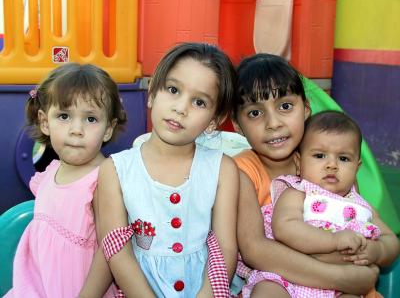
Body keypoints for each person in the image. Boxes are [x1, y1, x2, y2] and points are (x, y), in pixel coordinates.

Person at [232, 53, 386, 297]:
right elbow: (255, 249)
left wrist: (372, 254)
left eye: (285, 106)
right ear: (237, 125)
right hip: (278, 279)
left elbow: (369, 229)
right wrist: (339, 277)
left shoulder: (332, 166)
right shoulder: (240, 173)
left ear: (305, 109)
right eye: (255, 113)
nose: (273, 123)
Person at [96, 42, 239, 297]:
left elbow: (225, 249)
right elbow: (117, 252)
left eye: (199, 102)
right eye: (173, 90)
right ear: (152, 93)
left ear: (214, 121)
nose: (180, 108)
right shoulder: (115, 170)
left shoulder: (222, 169)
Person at [5, 63, 127, 298]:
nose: (76, 129)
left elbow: (109, 250)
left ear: (108, 129)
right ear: (44, 122)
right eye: (64, 116)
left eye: (91, 119)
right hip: (38, 286)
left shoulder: (103, 180)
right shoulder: (51, 172)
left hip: (77, 289)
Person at [247, 110, 400, 297]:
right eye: (320, 156)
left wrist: (377, 250)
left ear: (357, 167)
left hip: (342, 289)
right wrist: (334, 241)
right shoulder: (297, 192)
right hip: (288, 278)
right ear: (298, 161)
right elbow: (285, 228)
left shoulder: (360, 206)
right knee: (268, 290)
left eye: (343, 158)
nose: (332, 165)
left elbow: (391, 239)